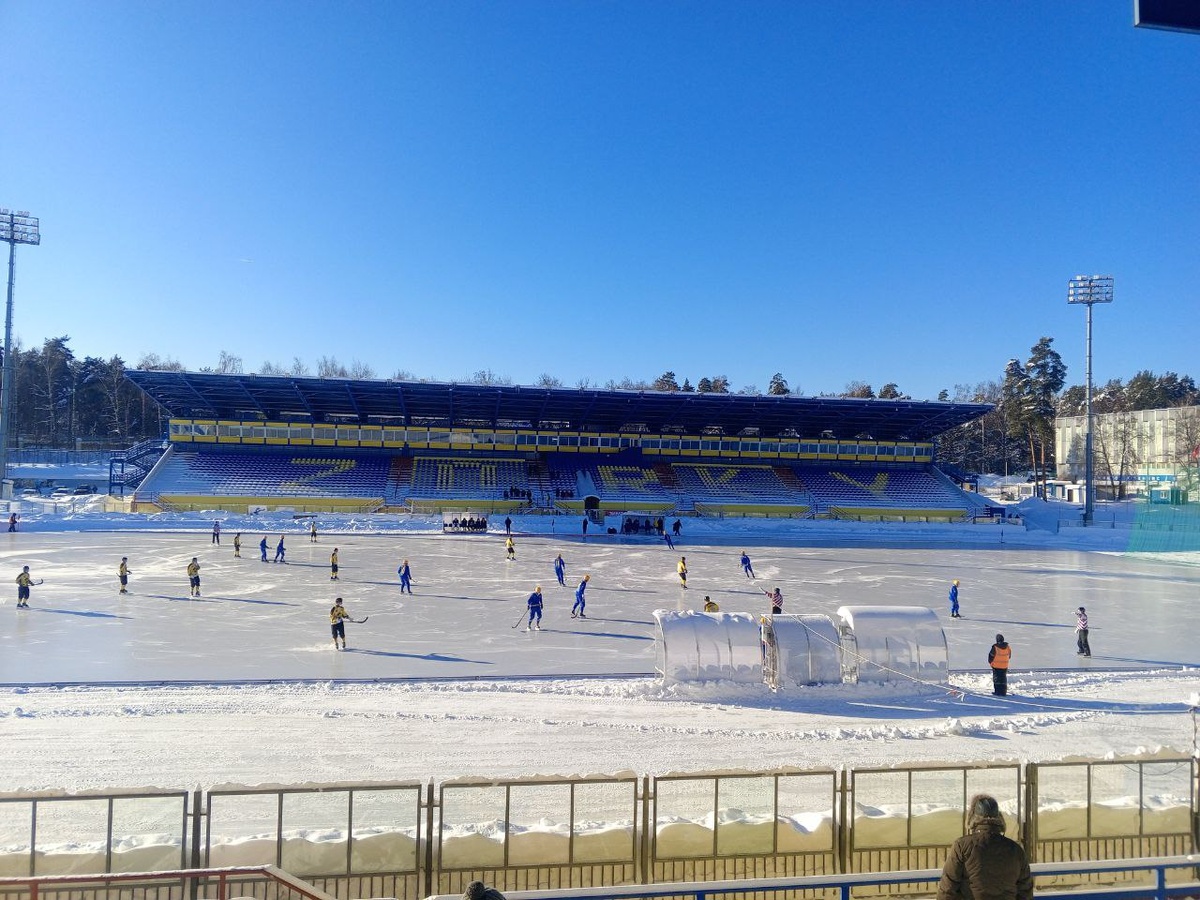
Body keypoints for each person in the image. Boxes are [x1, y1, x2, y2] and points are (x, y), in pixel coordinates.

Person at [937, 793, 1033, 900]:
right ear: (999, 818)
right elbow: (1025, 890)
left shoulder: (962, 846)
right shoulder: (1016, 849)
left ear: (973, 817)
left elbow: (948, 888)